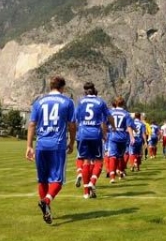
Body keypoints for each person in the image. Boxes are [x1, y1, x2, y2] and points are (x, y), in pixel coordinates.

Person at [25, 76, 76, 224]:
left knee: (42, 179)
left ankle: (46, 209)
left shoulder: (39, 102)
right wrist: (72, 142)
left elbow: (32, 124)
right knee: (57, 180)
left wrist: (29, 146)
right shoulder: (67, 102)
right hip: (57, 145)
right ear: (63, 88)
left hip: (41, 144)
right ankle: (46, 201)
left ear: (50, 86)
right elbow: (72, 126)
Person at [74, 82, 114, 199]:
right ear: (94, 90)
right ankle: (92, 181)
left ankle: (86, 193)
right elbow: (107, 117)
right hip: (95, 133)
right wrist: (114, 127)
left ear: (85, 91)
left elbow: (75, 118)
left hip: (83, 133)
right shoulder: (100, 102)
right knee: (99, 160)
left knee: (85, 161)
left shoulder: (80, 102)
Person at [108, 96, 135, 183]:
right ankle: (120, 171)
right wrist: (132, 136)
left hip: (113, 136)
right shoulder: (126, 113)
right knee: (120, 156)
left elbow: (104, 123)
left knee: (112, 156)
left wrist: (104, 134)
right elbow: (129, 126)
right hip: (123, 137)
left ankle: (112, 176)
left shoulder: (110, 112)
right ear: (123, 104)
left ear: (115, 103)